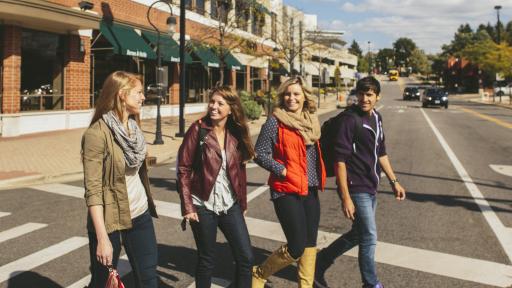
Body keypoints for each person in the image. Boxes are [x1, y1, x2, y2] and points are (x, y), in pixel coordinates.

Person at [314, 76, 406, 288]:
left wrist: (394, 181)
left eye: (370, 94)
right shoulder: (349, 120)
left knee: (358, 233)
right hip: (355, 187)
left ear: (377, 97)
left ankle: (321, 261)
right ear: (356, 95)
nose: (365, 98)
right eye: (361, 94)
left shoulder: (377, 117)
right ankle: (371, 283)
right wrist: (345, 196)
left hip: (371, 184)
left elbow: (381, 153)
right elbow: (340, 161)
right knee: (369, 236)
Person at [81, 71, 159, 288]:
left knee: (149, 279)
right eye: (139, 93)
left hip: (140, 214)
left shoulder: (134, 128)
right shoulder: (96, 135)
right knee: (102, 282)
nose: (144, 97)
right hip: (109, 220)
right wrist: (102, 238)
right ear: (122, 95)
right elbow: (93, 190)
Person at [177, 86, 255, 288]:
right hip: (203, 204)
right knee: (207, 260)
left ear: (231, 108)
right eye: (212, 101)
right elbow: (183, 168)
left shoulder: (236, 132)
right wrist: (188, 206)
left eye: (220, 103)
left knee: (246, 258)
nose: (213, 106)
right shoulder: (198, 129)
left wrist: (243, 202)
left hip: (230, 204)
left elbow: (240, 169)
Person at [252, 76, 326, 288]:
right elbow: (259, 153)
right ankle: (259, 273)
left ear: (305, 97)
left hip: (310, 188)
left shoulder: (312, 120)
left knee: (310, 244)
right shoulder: (275, 121)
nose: (291, 98)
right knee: (296, 245)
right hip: (286, 189)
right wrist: (280, 169)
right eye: (287, 94)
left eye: (296, 94)